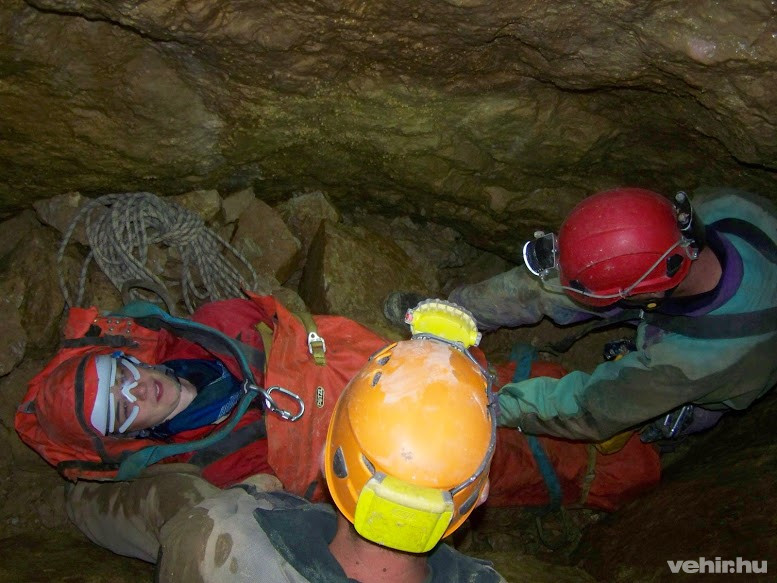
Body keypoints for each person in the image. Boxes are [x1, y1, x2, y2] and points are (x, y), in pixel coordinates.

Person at [71, 329, 507, 582]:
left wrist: (250, 494)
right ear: (479, 495)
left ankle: (77, 501)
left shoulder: (217, 535)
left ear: (327, 452)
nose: (137, 389)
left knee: (176, 499)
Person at [385, 187, 777, 444]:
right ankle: (456, 313)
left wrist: (489, 405)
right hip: (671, 294)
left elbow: (588, 407)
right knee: (550, 285)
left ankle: (675, 427)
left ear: (647, 293)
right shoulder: (729, 208)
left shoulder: (694, 364)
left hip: (720, 371)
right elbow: (554, 284)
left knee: (664, 410)